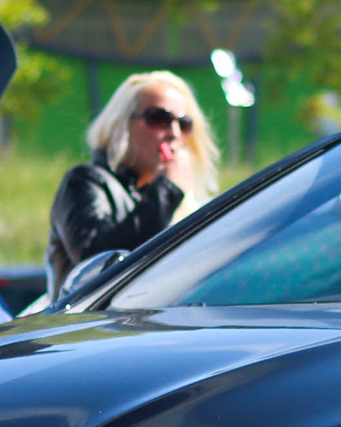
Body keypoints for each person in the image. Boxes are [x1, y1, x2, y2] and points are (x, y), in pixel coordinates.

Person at [45, 71, 221, 295]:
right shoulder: (84, 182)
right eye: (159, 119)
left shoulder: (179, 200)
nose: (174, 133)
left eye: (184, 123)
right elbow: (97, 262)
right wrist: (167, 190)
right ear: (122, 123)